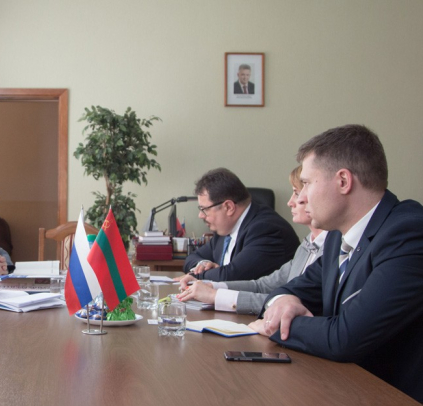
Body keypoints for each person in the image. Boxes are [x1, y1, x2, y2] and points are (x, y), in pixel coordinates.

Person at [253, 124, 423, 403]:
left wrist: (276, 324)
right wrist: (283, 302)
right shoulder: (336, 238)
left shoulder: (408, 233)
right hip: (343, 387)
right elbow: (291, 289)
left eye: (307, 183)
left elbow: (346, 338)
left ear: (343, 181)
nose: (301, 197)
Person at [177, 165, 327, 315]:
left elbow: (298, 304)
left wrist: (213, 293)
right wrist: (211, 284)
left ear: (229, 207)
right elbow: (262, 285)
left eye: (297, 193)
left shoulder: (267, 228)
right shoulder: (307, 245)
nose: (291, 202)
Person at [179, 168, 299, 284]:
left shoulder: (266, 229)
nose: (200, 215)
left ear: (229, 207)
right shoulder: (225, 228)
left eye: (204, 209)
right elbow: (192, 258)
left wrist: (197, 276)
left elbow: (231, 277)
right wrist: (203, 264)